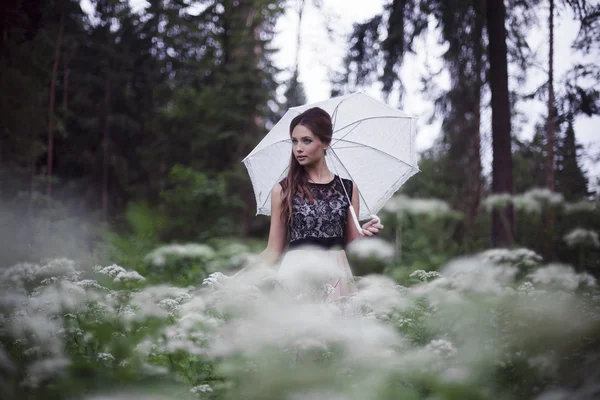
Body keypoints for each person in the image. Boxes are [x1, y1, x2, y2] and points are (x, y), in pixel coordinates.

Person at [258, 106, 383, 301]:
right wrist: (238, 279)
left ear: (326, 142)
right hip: (296, 275)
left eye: (306, 141)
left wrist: (363, 234)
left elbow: (352, 246)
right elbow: (273, 250)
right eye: (294, 141)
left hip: (336, 276)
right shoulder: (283, 190)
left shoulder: (348, 188)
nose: (298, 148)